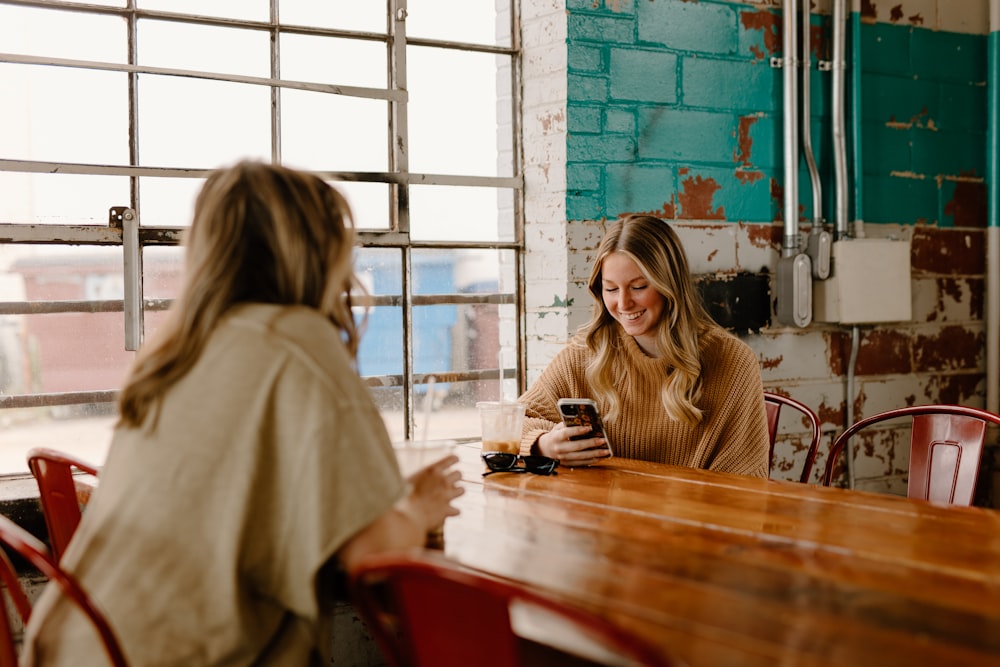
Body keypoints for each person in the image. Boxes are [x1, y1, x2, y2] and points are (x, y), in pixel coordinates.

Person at [21, 161, 464, 665]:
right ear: (315, 248)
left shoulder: (179, 348)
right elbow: (372, 556)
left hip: (73, 642)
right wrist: (417, 508)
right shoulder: (299, 342)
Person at [518, 215, 769, 478]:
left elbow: (745, 483)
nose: (623, 304)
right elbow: (510, 423)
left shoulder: (734, 361)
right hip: (602, 515)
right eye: (611, 289)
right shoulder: (587, 352)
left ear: (669, 285)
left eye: (638, 286)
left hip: (691, 516)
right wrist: (543, 444)